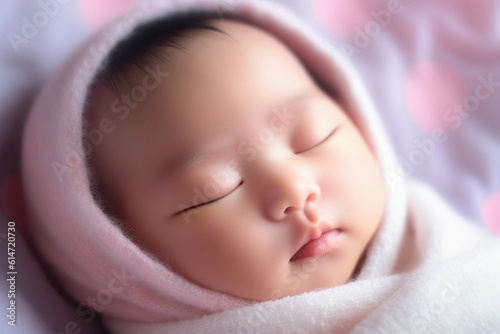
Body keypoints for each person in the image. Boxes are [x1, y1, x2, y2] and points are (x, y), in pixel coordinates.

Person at [22, 1, 500, 333]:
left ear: (355, 116)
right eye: (214, 192)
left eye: (315, 137)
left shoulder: (457, 256)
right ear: (130, 261)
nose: (293, 188)